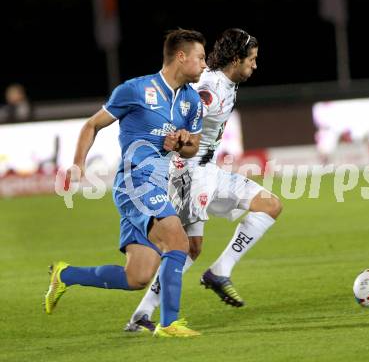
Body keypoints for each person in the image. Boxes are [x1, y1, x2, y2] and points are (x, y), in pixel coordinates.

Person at [44, 29, 207, 338]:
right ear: (181, 56)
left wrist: (180, 143)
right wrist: (78, 165)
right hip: (135, 181)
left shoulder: (192, 101)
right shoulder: (135, 90)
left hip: (158, 183)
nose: (204, 64)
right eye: (200, 57)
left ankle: (64, 274)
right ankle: (169, 323)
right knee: (178, 243)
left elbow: (193, 147)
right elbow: (92, 124)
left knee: (138, 276)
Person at [125, 28, 282, 332]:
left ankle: (220, 271)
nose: (255, 65)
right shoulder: (210, 89)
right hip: (188, 173)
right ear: (235, 59)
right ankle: (143, 314)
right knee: (184, 248)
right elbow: (178, 114)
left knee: (270, 205)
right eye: (251, 59)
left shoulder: (225, 81)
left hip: (208, 171)